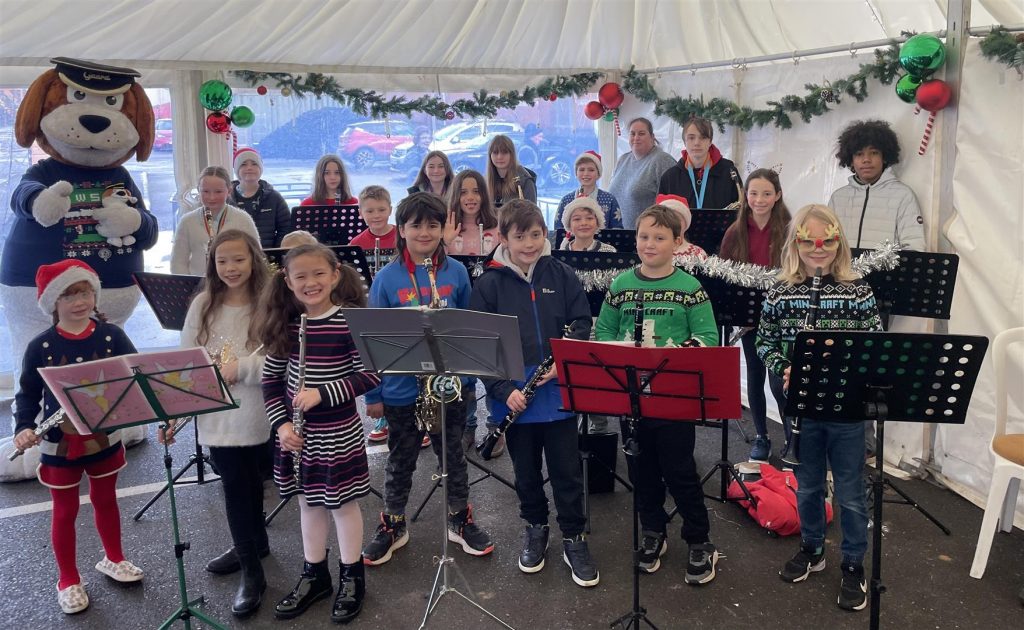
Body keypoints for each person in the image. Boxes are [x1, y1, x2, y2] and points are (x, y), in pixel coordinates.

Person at [757, 204, 882, 612]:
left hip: (847, 409)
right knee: (808, 486)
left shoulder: (858, 289)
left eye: (827, 240)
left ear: (838, 242)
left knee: (848, 492)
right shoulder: (781, 289)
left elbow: (876, 343)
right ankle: (812, 548)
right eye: (808, 241)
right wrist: (785, 366)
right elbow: (765, 341)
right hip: (803, 408)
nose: (818, 248)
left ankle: (852, 563)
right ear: (796, 243)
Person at [470, 199, 599, 586]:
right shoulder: (489, 283)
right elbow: (480, 344)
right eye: (520, 236)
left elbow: (580, 321)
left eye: (536, 234)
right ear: (504, 239)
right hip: (513, 396)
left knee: (566, 472)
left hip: (558, 390)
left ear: (546, 234)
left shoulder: (560, 273)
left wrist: (563, 362)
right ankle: (536, 526)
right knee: (525, 472)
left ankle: (574, 536)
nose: (529, 243)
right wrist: (502, 389)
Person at [361, 192, 494, 565]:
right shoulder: (386, 280)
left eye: (432, 225)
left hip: (449, 388)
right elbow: (372, 341)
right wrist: (374, 394)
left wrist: (467, 381)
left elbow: (468, 329)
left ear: (443, 229)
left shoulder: (456, 272)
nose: (424, 232)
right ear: (400, 229)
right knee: (400, 458)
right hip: (401, 390)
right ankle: (393, 523)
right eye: (416, 225)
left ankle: (458, 519)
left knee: (452, 456)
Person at [594, 204, 720, 584]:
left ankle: (699, 540)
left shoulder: (690, 288)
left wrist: (675, 356)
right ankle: (653, 532)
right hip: (631, 398)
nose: (650, 244)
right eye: (644, 237)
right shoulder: (620, 285)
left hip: (673, 398)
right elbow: (603, 334)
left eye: (660, 238)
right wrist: (620, 351)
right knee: (640, 470)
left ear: (677, 242)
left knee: (680, 471)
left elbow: (708, 337)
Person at [13, 259, 144, 614]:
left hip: (104, 436)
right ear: (53, 302)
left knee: (106, 499)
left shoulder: (111, 335)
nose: (79, 301)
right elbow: (26, 394)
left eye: (84, 291)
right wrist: (25, 427)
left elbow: (138, 379)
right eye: (69, 294)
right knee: (64, 510)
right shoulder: (41, 346)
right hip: (59, 441)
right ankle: (68, 578)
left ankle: (113, 558)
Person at [259, 243, 380, 623]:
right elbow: (270, 380)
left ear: (335, 274)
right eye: (301, 276)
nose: (310, 283)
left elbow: (371, 374)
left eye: (318, 274)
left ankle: (351, 578)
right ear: (287, 280)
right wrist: (281, 425)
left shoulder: (349, 321)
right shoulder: (287, 323)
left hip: (338, 432)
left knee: (343, 506)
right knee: (307, 504)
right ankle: (316, 575)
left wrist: (323, 393)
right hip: (297, 437)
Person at [162, 230, 271, 617]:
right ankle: (252, 568)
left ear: (253, 259)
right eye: (222, 261)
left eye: (238, 259)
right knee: (235, 487)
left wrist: (239, 367)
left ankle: (255, 543)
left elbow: (283, 359)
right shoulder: (203, 304)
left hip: (261, 410)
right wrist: (174, 411)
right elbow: (187, 361)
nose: (231, 268)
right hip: (217, 416)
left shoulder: (269, 301)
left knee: (253, 481)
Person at [719, 170, 792, 461]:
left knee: (780, 380)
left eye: (766, 193)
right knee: (755, 373)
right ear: (745, 197)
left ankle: (790, 436)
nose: (759, 200)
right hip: (749, 317)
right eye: (753, 193)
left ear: (777, 196)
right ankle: (761, 436)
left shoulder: (789, 228)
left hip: (783, 319)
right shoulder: (735, 231)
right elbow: (723, 273)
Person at [828, 120, 926, 250]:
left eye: (874, 153)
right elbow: (827, 242)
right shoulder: (837, 198)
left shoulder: (903, 196)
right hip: (844, 271)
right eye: (859, 154)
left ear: (884, 157)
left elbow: (914, 246)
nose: (866, 159)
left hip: (886, 270)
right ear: (851, 160)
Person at [171, 166, 259, 275]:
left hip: (234, 284)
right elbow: (178, 263)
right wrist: (188, 288)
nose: (212, 197)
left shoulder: (243, 220)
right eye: (206, 191)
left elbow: (256, 257)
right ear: (198, 190)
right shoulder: (187, 221)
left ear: (229, 191)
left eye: (218, 192)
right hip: (198, 287)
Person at [607, 118, 677, 229]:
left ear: (652, 137)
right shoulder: (622, 160)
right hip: (617, 235)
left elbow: (671, 206)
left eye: (641, 133)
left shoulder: (662, 161)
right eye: (632, 134)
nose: (636, 138)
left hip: (646, 237)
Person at [658, 117, 740, 210]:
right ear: (684, 141)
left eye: (703, 137)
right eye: (691, 138)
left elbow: (740, 210)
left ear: (710, 142)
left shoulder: (728, 171)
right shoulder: (670, 177)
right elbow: (662, 216)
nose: (697, 143)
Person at [230, 147, 292, 247]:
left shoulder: (274, 197)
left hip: (268, 256)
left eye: (254, 164)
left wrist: (275, 251)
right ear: (237, 170)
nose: (249, 168)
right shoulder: (227, 198)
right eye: (243, 164)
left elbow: (286, 227)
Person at [554, 151, 622, 232]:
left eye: (591, 170)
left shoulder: (610, 200)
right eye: (582, 170)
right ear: (576, 173)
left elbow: (617, 230)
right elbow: (558, 231)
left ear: (598, 174)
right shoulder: (566, 201)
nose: (586, 173)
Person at [444, 169, 500, 256]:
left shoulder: (498, 227)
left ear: (484, 195)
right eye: (463, 192)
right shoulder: (446, 227)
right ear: (455, 196)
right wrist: (445, 242)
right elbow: (437, 262)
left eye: (476, 191)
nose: (470, 197)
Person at [487, 134, 537, 208]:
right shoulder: (486, 182)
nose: (499, 157)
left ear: (512, 155)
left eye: (504, 152)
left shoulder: (526, 182)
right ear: (490, 155)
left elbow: (532, 216)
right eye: (495, 152)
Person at [654, 194, 707, 262]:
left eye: (677, 219)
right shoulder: (652, 250)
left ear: (686, 224)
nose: (671, 223)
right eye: (666, 219)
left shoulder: (698, 253)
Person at [348, 185, 398, 251]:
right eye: (370, 211)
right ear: (361, 213)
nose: (376, 215)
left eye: (382, 210)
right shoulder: (355, 244)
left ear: (390, 210)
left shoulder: (404, 236)